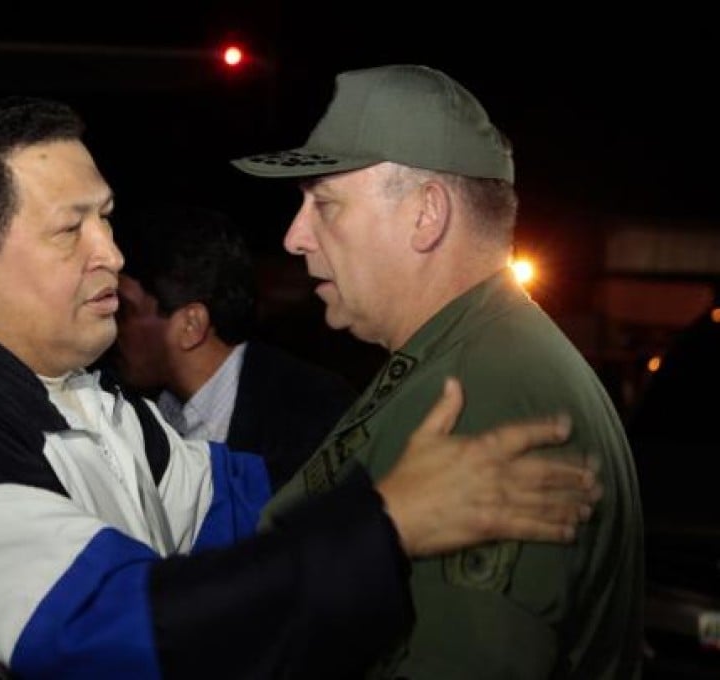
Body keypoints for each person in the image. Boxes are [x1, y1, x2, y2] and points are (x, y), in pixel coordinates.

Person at [0, 95, 601, 679]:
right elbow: (109, 628)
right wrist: (387, 520)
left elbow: (238, 505)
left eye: (106, 218)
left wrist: (396, 456)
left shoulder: (81, 395)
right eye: (72, 230)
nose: (111, 252)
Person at [232, 64, 644, 678]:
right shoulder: (462, 355)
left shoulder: (485, 396)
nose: (295, 237)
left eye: (326, 204)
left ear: (426, 214)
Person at [109, 201, 357, 488]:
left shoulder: (314, 415)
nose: (111, 326)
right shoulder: (131, 411)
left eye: (125, 311)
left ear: (191, 325)